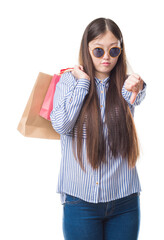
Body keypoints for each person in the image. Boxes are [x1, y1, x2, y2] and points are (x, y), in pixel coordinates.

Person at [50, 17, 146, 240]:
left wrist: (137, 87)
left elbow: (136, 94)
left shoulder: (126, 83)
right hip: (80, 203)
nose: (106, 58)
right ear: (87, 49)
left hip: (124, 202)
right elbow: (61, 125)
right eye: (98, 51)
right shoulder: (68, 82)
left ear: (120, 51)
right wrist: (83, 83)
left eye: (113, 51)